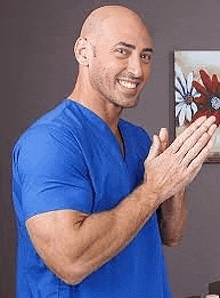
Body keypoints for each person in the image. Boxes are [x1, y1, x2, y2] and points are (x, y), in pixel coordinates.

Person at [11, 5, 217, 298]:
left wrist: (176, 181)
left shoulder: (139, 140)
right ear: (84, 52)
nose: (137, 69)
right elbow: (70, 260)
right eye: (123, 51)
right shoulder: (49, 142)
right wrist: (154, 189)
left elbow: (171, 234)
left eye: (145, 56)